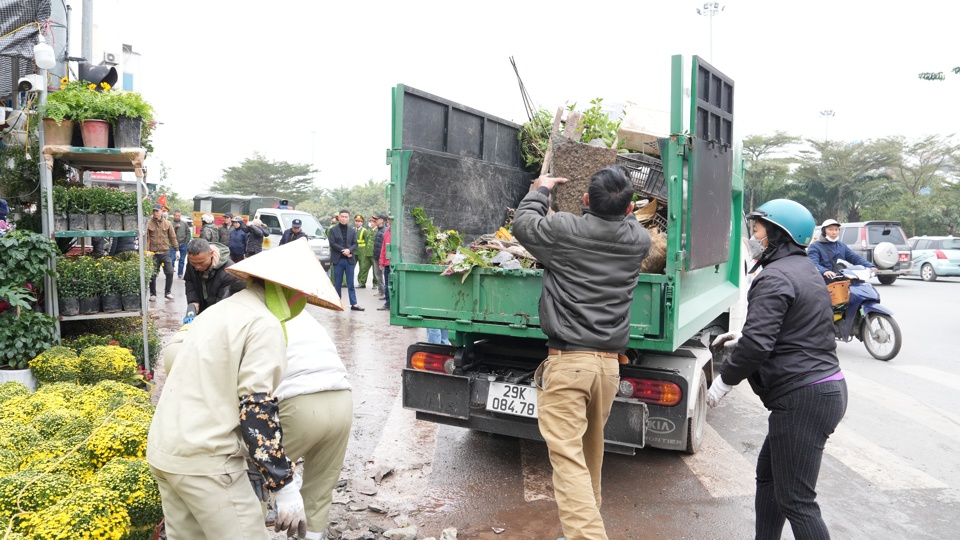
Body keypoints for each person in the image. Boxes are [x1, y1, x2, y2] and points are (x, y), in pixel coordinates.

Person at [149, 239, 342, 540]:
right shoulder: (264, 324)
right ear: (286, 291)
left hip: (166, 452)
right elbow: (256, 409)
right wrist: (284, 484)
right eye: (301, 295)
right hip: (208, 462)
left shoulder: (216, 312)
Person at [512, 166, 651, 540]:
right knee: (591, 453)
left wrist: (541, 191)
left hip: (569, 362)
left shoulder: (565, 231)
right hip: (607, 369)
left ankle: (587, 537)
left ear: (586, 200)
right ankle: (581, 530)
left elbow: (524, 224)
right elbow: (629, 223)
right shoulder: (638, 240)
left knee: (568, 458)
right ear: (629, 208)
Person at [708, 199, 847, 540]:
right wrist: (748, 332)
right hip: (820, 390)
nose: (754, 237)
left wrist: (722, 383)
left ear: (777, 234)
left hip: (804, 397)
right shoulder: (805, 271)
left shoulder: (774, 276)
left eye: (757, 230)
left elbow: (758, 346)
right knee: (769, 478)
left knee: (797, 501)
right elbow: (800, 326)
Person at [270, 311, 353, 540]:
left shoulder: (258, 318)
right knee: (319, 489)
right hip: (342, 400)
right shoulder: (304, 315)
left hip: (299, 404)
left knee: (257, 477)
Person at [184, 238, 245, 314]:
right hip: (201, 307)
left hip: (218, 310)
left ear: (211, 253)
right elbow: (189, 280)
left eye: (201, 263)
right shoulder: (193, 260)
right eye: (193, 263)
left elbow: (222, 302)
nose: (197, 267)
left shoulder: (228, 271)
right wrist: (193, 301)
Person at [807, 219, 876, 281]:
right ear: (823, 231)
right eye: (830, 229)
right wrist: (824, 271)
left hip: (840, 280)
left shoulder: (841, 246)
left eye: (836, 230)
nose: (834, 232)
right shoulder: (815, 246)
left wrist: (870, 266)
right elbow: (812, 263)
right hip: (823, 281)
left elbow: (855, 258)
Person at [328, 209, 364, 311]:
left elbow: (355, 244)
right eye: (342, 217)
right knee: (337, 283)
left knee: (350, 283)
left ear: (348, 219)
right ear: (338, 217)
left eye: (346, 217)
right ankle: (337, 303)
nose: (344, 219)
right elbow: (332, 243)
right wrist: (343, 250)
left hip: (349, 261)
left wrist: (349, 250)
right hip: (338, 260)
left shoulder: (352, 231)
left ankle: (354, 304)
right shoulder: (333, 230)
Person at [146, 203, 178, 302]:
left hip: (165, 253)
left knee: (169, 272)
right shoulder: (148, 223)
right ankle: (152, 294)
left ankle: (168, 292)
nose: (155, 213)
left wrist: (177, 250)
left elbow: (172, 237)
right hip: (153, 254)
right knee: (152, 274)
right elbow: (145, 238)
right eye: (154, 211)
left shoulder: (167, 224)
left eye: (157, 211)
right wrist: (146, 250)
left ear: (161, 212)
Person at [354, 214, 375, 288]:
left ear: (362, 222)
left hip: (363, 251)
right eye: (356, 221)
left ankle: (363, 282)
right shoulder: (353, 230)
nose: (357, 223)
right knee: (356, 268)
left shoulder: (365, 231)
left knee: (363, 267)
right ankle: (360, 282)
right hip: (354, 251)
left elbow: (367, 241)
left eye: (359, 221)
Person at [371, 213, 388, 299]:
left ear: (382, 220)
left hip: (382, 258)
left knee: (384, 275)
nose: (375, 221)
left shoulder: (385, 231)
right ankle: (381, 290)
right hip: (377, 256)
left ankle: (385, 292)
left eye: (377, 219)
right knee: (378, 274)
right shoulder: (378, 230)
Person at [171, 210, 191, 278]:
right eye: (176, 215)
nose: (177, 217)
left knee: (182, 260)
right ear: (174, 216)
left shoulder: (184, 224)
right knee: (172, 259)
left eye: (178, 216)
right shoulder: (170, 223)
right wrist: (175, 228)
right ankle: (170, 273)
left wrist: (186, 241)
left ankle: (180, 273)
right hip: (173, 244)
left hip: (183, 244)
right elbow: (169, 233)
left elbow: (188, 232)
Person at [376, 224, 391, 311]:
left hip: (396, 263)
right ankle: (388, 303)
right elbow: (383, 249)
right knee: (387, 285)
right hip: (387, 263)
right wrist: (381, 262)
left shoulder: (400, 232)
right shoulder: (386, 233)